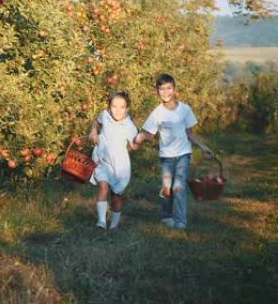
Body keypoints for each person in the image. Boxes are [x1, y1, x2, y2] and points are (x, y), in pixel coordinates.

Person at [134, 73, 214, 230]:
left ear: (175, 89)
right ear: (157, 91)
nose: (165, 92)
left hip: (183, 155)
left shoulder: (185, 109)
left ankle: (180, 221)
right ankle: (167, 215)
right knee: (167, 188)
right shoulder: (157, 113)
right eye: (161, 89)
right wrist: (140, 137)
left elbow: (190, 133)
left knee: (178, 186)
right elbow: (150, 134)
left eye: (168, 88)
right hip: (166, 157)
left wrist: (204, 147)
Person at [88, 90, 140, 230]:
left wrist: (140, 140)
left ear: (127, 108)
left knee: (116, 197)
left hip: (119, 166)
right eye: (114, 106)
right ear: (109, 107)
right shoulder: (104, 116)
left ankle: (114, 225)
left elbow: (134, 146)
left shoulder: (130, 126)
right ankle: (101, 222)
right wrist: (93, 132)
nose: (117, 110)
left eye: (121, 107)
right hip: (103, 160)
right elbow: (96, 123)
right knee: (103, 187)